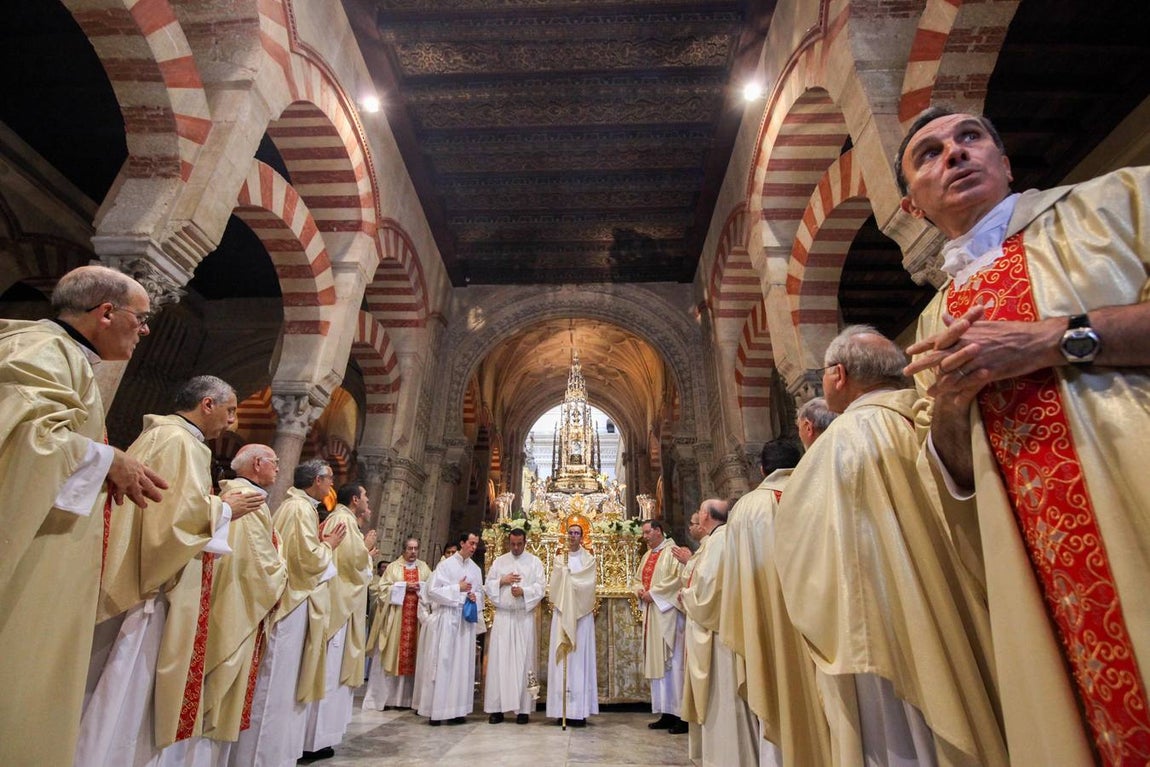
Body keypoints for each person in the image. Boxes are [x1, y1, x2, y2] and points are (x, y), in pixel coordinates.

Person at [899, 106, 1150, 764]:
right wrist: (951, 401)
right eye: (928, 153)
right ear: (912, 207)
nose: (953, 154)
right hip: (1037, 571)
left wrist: (1054, 338)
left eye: (969, 138)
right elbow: (949, 475)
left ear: (1006, 164)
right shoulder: (935, 318)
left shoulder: (1118, 202)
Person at [774, 326, 1005, 766]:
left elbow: (800, 550)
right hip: (959, 610)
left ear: (838, 375)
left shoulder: (837, 442)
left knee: (896, 741)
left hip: (878, 638)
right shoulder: (932, 418)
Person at [0, 264, 167, 767]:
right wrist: (109, 460)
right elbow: (22, 440)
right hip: (28, 564)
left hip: (50, 560)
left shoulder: (67, 356)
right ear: (106, 312)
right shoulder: (42, 350)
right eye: (140, 318)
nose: (145, 330)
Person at [77, 375, 262, 766]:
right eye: (230, 411)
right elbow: (169, 520)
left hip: (149, 579)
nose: (231, 422)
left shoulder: (171, 437)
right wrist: (224, 509)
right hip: (148, 590)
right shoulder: (179, 442)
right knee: (123, 691)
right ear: (207, 404)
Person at [720, 435, 831, 767]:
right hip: (827, 625)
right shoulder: (822, 491)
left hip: (772, 627)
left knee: (779, 692)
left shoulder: (747, 509)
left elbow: (735, 580)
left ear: (760, 468)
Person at [228, 460, 346, 767]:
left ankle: (276, 754)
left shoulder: (302, 508)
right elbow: (306, 560)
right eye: (329, 479)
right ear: (317, 480)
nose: (331, 485)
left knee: (284, 684)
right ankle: (262, 757)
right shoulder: (298, 509)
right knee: (275, 686)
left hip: (296, 601)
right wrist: (329, 546)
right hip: (291, 604)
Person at [189, 444, 288, 766]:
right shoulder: (246, 499)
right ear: (258, 464)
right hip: (236, 605)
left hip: (238, 599)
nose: (278, 468)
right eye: (274, 462)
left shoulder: (244, 497)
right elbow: (258, 563)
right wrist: (284, 573)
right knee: (220, 686)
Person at [300, 483, 378, 760]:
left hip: (341, 608)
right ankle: (314, 739)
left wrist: (363, 555)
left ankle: (320, 736)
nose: (368, 502)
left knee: (332, 673)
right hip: (337, 609)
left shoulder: (343, 521)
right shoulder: (342, 521)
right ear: (355, 500)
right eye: (365, 497)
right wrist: (366, 551)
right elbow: (347, 565)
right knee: (329, 672)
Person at [680, 499, 756, 766]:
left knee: (723, 698)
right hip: (725, 627)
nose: (698, 515)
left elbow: (708, 592)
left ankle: (727, 758)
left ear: (706, 517)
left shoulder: (718, 543)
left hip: (718, 637)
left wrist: (686, 596)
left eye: (700, 511)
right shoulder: (722, 539)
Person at [415, 531, 485, 725]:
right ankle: (436, 711)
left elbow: (480, 593)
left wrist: (475, 597)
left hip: (465, 621)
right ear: (462, 543)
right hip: (447, 619)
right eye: (471, 543)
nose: (474, 547)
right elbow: (432, 591)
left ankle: (457, 711)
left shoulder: (475, 569)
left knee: (462, 665)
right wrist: (457, 589)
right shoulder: (445, 566)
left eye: (476, 544)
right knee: (444, 663)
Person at [484, 528, 546, 724]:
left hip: (523, 617)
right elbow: (488, 585)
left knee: (524, 662)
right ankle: (497, 709)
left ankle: (523, 710)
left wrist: (524, 591)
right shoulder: (500, 561)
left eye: (519, 544)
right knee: (499, 661)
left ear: (525, 542)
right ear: (508, 542)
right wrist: (502, 581)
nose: (516, 547)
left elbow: (541, 587)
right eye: (513, 544)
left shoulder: (534, 562)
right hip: (503, 616)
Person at [363, 537, 432, 710]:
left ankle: (408, 700)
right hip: (396, 620)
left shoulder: (424, 568)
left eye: (416, 548)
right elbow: (382, 591)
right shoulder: (393, 567)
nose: (413, 552)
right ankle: (387, 699)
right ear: (403, 549)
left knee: (415, 656)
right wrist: (402, 587)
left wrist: (421, 587)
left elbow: (432, 589)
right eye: (410, 548)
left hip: (416, 621)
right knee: (391, 655)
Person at [632, 519, 686, 734]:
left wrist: (653, 594)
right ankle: (666, 712)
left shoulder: (673, 552)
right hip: (653, 614)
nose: (644, 536)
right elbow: (637, 579)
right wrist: (639, 590)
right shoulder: (647, 555)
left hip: (669, 615)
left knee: (674, 664)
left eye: (647, 532)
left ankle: (681, 715)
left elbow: (678, 580)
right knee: (660, 665)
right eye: (644, 533)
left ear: (658, 531)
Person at [546, 523, 598, 727]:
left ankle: (579, 711)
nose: (573, 536)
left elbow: (589, 584)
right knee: (562, 660)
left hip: (581, 616)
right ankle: (560, 710)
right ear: (566, 535)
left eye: (577, 533)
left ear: (582, 537)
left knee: (579, 659)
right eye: (570, 533)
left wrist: (570, 579)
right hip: (562, 613)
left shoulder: (589, 560)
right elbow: (554, 586)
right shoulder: (560, 560)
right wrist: (564, 576)